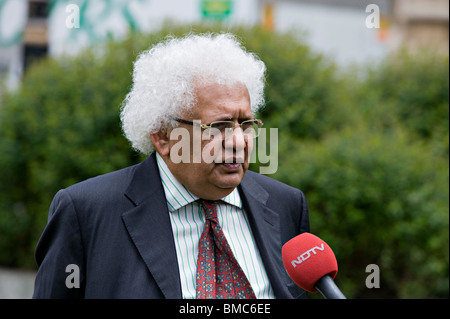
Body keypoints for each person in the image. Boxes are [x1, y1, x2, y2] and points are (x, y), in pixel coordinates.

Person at [33, 33, 310, 299]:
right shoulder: (86, 212)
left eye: (246, 124)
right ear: (164, 136)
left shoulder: (286, 205)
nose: (239, 141)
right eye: (219, 126)